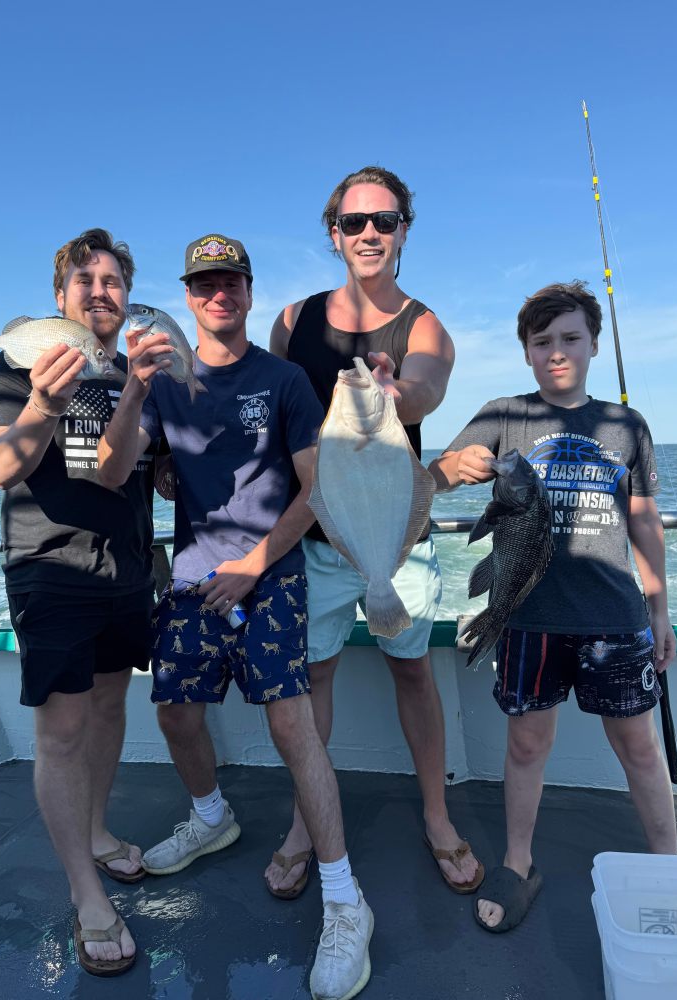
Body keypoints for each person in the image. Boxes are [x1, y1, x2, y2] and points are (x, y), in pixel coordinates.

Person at [97, 233, 374, 1000]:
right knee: (176, 715)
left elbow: (315, 488)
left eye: (230, 282)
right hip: (190, 578)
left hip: (271, 575)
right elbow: (117, 471)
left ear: (249, 292)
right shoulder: (160, 381)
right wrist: (130, 391)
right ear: (188, 298)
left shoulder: (283, 380)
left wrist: (256, 564)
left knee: (292, 727)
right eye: (204, 284)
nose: (218, 295)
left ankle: (347, 899)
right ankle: (210, 814)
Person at [429, 280, 677, 932]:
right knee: (527, 745)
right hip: (530, 617)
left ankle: (670, 865)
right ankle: (518, 863)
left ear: (593, 344)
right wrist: (465, 462)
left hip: (613, 616)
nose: (557, 352)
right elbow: (444, 467)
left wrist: (658, 609)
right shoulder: (506, 412)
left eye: (570, 338)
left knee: (641, 749)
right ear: (527, 353)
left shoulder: (626, 426)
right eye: (543, 342)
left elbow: (645, 523)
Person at [268, 166, 484, 897]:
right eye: (355, 222)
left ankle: (437, 813)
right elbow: (269, 416)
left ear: (402, 231)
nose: (369, 234)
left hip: (395, 534)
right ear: (334, 234)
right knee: (314, 674)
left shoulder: (423, 324)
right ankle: (305, 821)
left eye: (384, 221)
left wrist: (398, 392)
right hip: (318, 534)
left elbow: (426, 385)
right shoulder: (292, 321)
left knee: (412, 669)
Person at [0, 229, 155, 976]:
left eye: (113, 280)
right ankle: (86, 893)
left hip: (127, 566)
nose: (99, 290)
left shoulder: (136, 370)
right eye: (84, 280)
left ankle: (97, 831)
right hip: (50, 567)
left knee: (112, 706)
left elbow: (139, 473)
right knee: (62, 730)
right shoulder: (17, 360)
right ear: (61, 297)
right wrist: (47, 404)